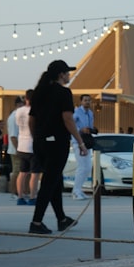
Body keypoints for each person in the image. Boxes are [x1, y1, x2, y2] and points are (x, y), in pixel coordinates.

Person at [27, 60, 87, 234]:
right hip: (58, 143)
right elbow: (67, 118)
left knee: (55, 180)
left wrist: (37, 138)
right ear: (61, 74)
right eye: (67, 73)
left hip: (41, 143)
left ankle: (61, 219)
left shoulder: (39, 92)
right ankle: (36, 222)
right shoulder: (63, 93)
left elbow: (32, 120)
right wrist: (80, 142)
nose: (69, 75)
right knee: (49, 183)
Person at [15, 90, 39, 205]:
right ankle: (32, 197)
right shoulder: (36, 111)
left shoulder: (19, 111)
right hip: (33, 145)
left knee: (22, 172)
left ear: (25, 98)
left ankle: (20, 197)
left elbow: (17, 124)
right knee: (35, 173)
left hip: (21, 145)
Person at [71, 93, 95, 200]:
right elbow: (71, 125)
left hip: (86, 141)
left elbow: (90, 127)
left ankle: (79, 189)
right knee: (81, 167)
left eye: (89, 100)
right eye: (85, 100)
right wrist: (80, 130)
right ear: (81, 101)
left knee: (88, 167)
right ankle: (75, 192)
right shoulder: (76, 112)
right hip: (78, 142)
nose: (87, 102)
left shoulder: (90, 113)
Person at [5, 96, 24, 197]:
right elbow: (13, 136)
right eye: (21, 104)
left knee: (21, 171)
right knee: (16, 171)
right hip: (16, 149)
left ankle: (20, 190)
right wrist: (18, 149)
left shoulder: (20, 116)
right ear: (17, 105)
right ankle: (13, 191)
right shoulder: (13, 118)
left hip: (21, 148)